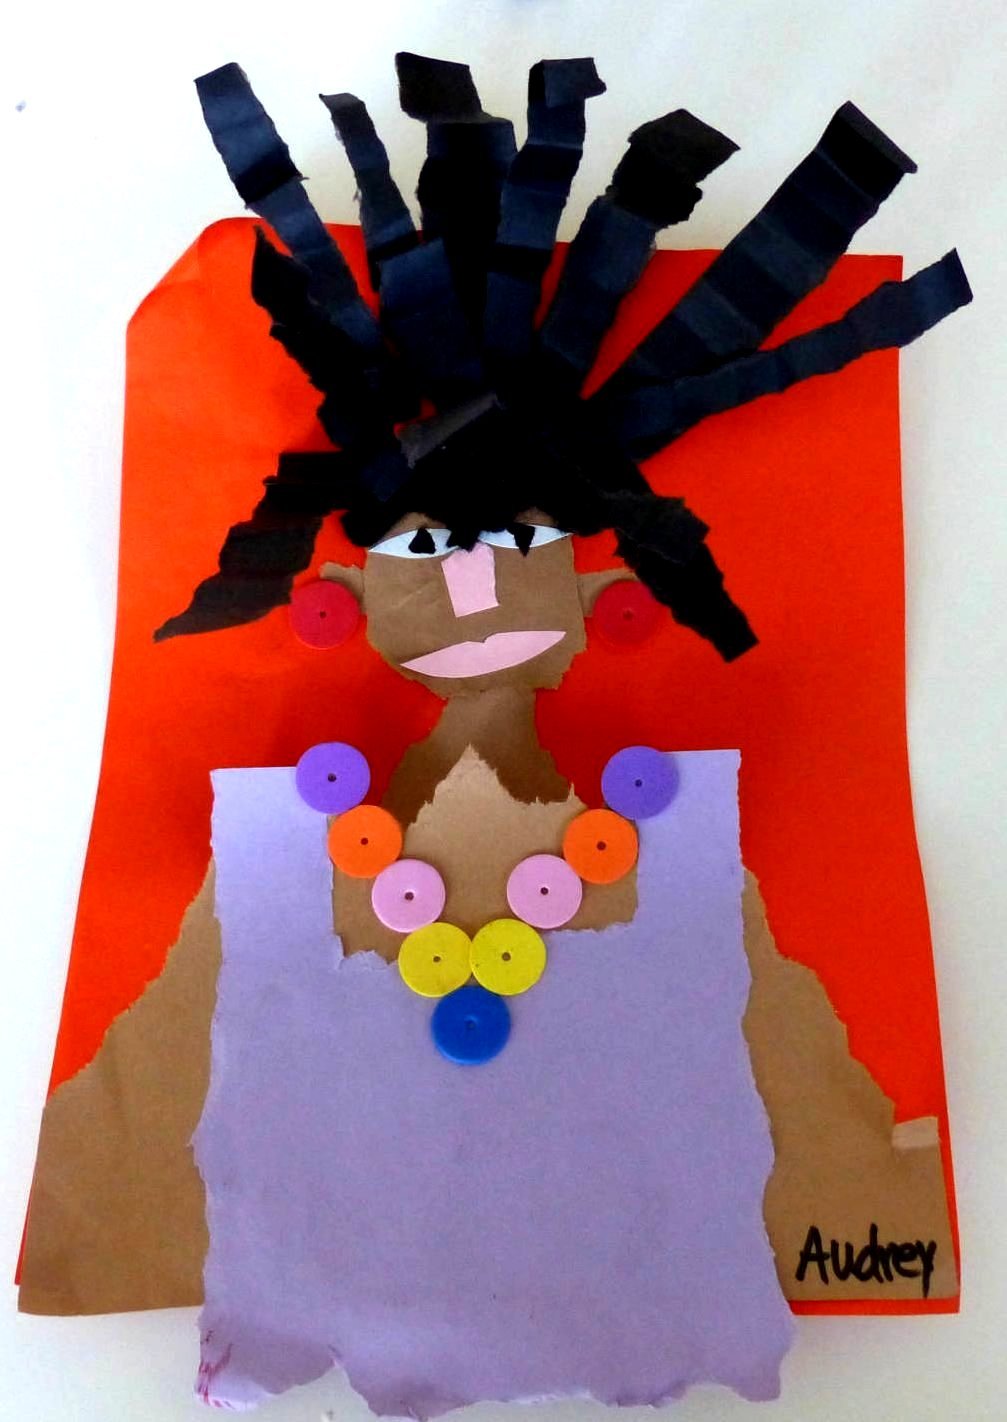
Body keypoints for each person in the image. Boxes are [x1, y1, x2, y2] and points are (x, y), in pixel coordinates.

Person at [19, 52, 965, 1408]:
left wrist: (871, 1183)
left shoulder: (669, 850)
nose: (471, 584)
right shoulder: (289, 856)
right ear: (352, 589)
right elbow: (170, 1041)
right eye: (428, 549)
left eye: (518, 545)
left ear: (588, 582)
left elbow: (785, 1027)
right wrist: (96, 1189)